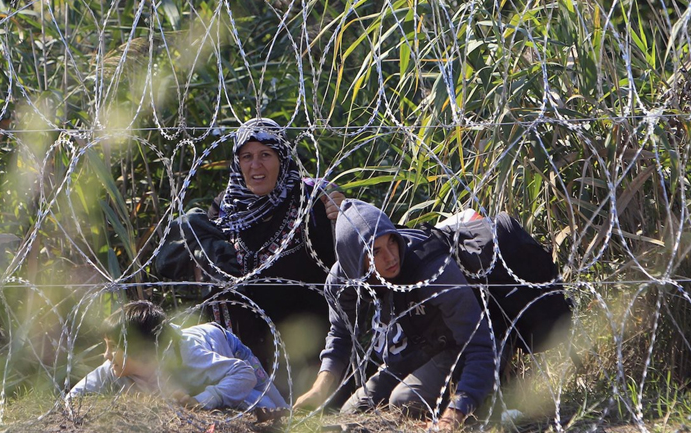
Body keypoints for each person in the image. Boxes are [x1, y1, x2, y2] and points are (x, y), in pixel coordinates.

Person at [295, 200, 496, 431]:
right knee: (351, 413)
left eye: (392, 242)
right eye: (376, 252)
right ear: (354, 260)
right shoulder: (342, 282)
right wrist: (320, 388)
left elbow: (480, 345)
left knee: (403, 402)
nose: (391, 258)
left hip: (455, 348)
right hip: (410, 352)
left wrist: (454, 414)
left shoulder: (432, 270)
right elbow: (341, 335)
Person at [207, 118, 343, 393]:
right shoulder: (225, 207)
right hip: (241, 357)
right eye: (246, 156)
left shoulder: (312, 200)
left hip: (304, 351)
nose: (255, 166)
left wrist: (343, 218)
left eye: (265, 155)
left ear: (281, 158)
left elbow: (346, 261)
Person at [67, 300, 288, 418]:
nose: (106, 356)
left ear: (140, 348)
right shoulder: (113, 368)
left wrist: (202, 400)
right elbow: (73, 398)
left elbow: (243, 373)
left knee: (271, 405)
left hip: (226, 347)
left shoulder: (190, 357)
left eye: (113, 347)